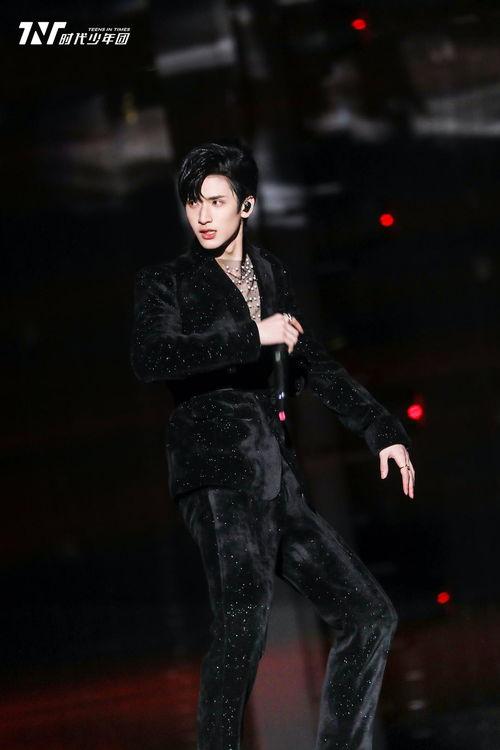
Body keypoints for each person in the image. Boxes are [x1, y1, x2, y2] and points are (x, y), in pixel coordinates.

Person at [130, 138, 415, 750]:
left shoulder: (271, 275)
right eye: (193, 202)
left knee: (369, 616)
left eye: (216, 201)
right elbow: (152, 358)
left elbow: (314, 363)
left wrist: (382, 432)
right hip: (216, 473)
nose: (202, 216)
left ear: (247, 206)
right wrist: (250, 335)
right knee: (242, 628)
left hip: (275, 479)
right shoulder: (168, 282)